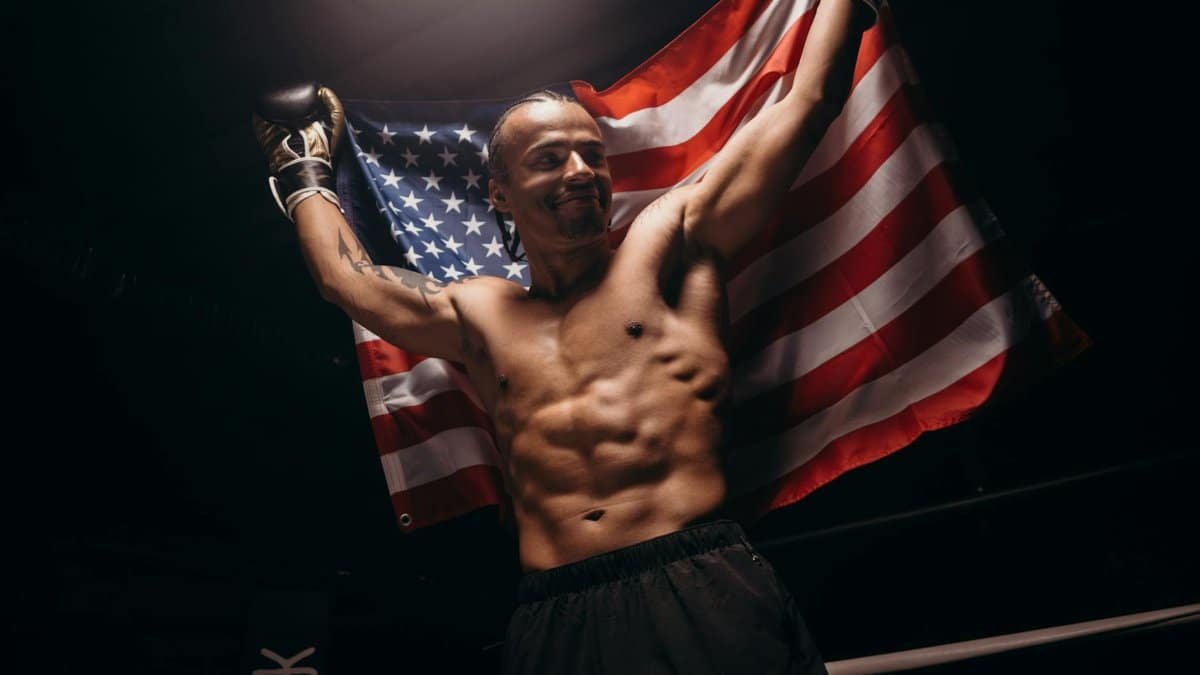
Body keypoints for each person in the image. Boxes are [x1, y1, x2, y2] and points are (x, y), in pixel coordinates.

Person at [253, 1, 876, 671]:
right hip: (558, 613)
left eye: (590, 155)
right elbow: (349, 282)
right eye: (550, 159)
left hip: (701, 583)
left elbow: (804, 105)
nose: (580, 171)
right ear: (500, 193)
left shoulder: (671, 246)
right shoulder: (481, 313)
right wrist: (303, 170)